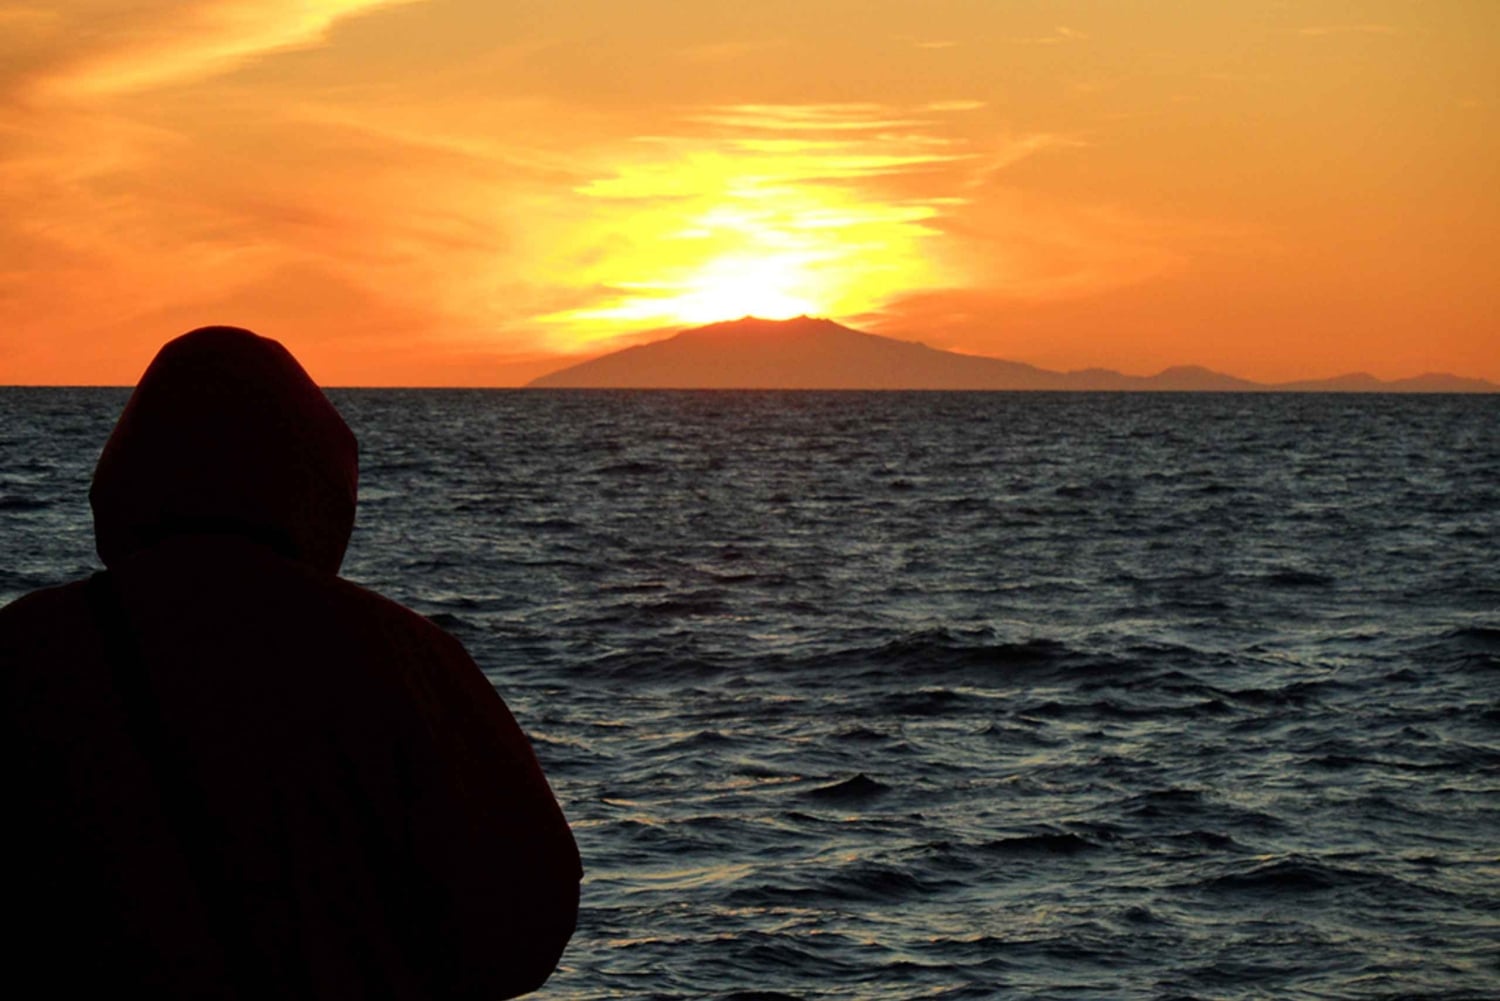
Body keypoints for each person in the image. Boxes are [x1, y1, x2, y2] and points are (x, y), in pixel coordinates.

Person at [0, 326, 579, 999]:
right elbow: (527, 918)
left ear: (124, 474)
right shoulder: (404, 657)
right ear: (318, 480)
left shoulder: (27, 649)